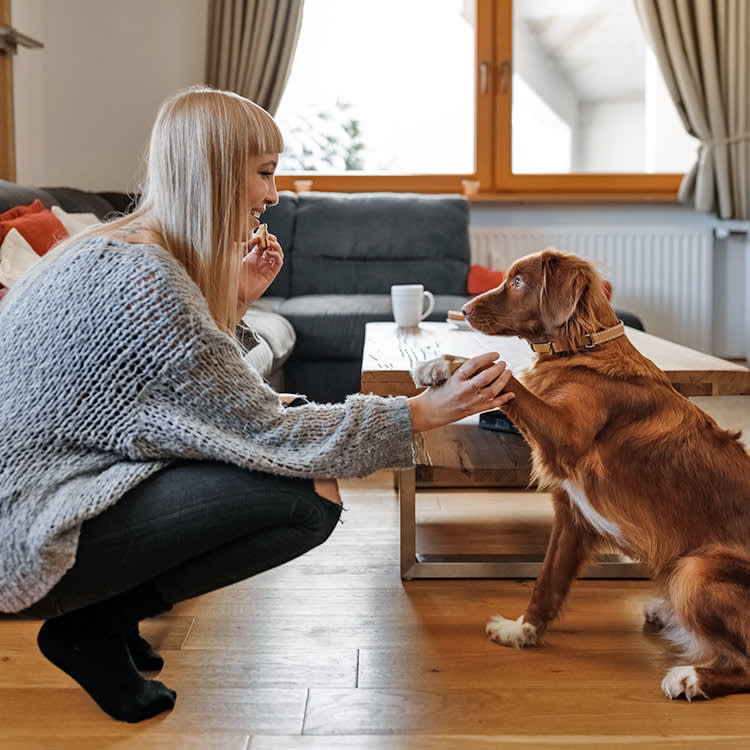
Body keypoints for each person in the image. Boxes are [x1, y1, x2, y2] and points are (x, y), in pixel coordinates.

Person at [0, 86, 515, 723]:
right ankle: (93, 623)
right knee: (310, 497)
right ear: (215, 171)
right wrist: (422, 413)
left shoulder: (110, 248)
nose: (273, 194)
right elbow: (270, 432)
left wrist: (236, 302)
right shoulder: (145, 282)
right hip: (26, 531)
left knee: (289, 455)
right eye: (264, 173)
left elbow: (181, 398)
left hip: (40, 492)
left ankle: (110, 613)